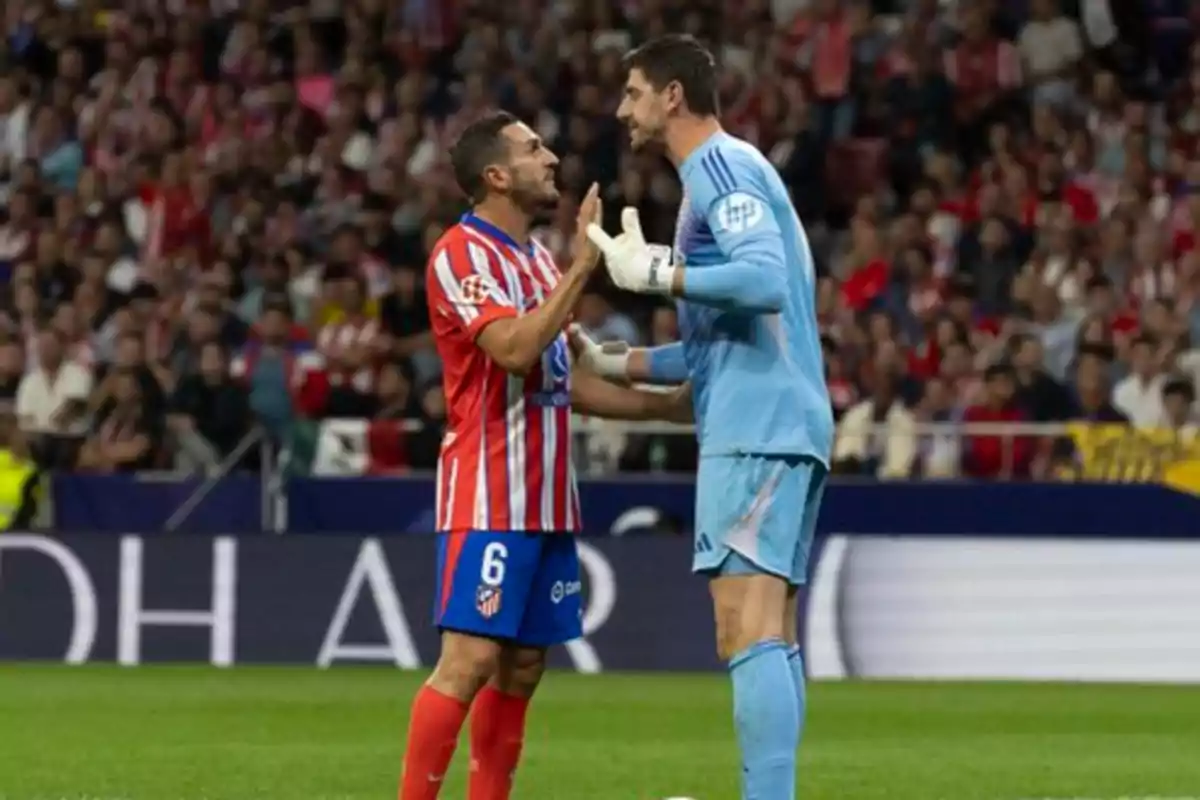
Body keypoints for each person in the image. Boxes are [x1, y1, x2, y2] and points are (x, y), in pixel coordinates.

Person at [399, 110, 689, 800]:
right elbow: (514, 350)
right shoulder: (461, 254)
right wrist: (584, 268)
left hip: (549, 497)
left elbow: (570, 381)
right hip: (486, 491)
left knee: (524, 666)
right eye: (534, 149)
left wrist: (671, 406)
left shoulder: (533, 260)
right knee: (468, 661)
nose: (552, 157)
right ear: (496, 175)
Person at [578, 34, 833, 800]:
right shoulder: (714, 181)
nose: (622, 109)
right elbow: (724, 342)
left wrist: (656, 270)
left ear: (672, 96)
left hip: (758, 430)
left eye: (632, 93)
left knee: (743, 630)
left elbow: (759, 281)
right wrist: (612, 362)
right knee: (771, 634)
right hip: (776, 418)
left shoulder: (722, 165)